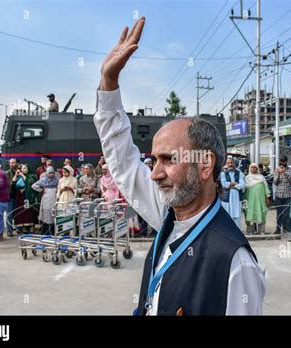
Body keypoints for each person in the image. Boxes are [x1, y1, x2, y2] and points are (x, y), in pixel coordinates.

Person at [94, 17, 265, 316]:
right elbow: (122, 160)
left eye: (169, 160)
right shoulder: (169, 217)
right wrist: (109, 85)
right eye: (154, 160)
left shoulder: (235, 261)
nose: (155, 173)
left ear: (204, 164)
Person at [244, 163, 270, 234]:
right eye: (251, 167)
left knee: (261, 214)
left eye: (255, 167)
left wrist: (267, 198)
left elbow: (266, 188)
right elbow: (244, 191)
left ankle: (261, 231)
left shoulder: (261, 177)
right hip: (250, 200)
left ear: (257, 168)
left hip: (260, 200)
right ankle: (250, 231)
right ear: (249, 168)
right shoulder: (247, 178)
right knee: (250, 214)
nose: (253, 168)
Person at [11, 164, 38, 234]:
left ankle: (31, 227)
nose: (23, 170)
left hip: (28, 197)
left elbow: (30, 182)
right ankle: (22, 227)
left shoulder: (31, 176)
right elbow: (13, 183)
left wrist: (23, 175)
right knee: (21, 212)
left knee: (29, 212)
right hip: (20, 197)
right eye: (22, 169)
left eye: (25, 168)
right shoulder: (19, 176)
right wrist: (16, 175)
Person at [32, 166, 59, 235]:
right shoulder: (44, 180)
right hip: (46, 200)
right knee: (46, 214)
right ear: (47, 173)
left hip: (54, 199)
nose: (51, 174)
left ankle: (53, 232)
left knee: (54, 214)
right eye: (50, 173)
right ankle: (46, 231)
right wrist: (41, 190)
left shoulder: (57, 180)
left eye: (52, 173)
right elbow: (34, 186)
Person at [220, 158, 245, 230]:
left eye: (231, 163)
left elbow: (242, 185)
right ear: (226, 164)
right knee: (227, 215)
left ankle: (237, 231)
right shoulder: (223, 174)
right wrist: (234, 184)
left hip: (237, 197)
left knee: (237, 215)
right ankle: (228, 232)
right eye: (228, 163)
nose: (230, 164)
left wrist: (231, 186)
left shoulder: (239, 173)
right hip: (227, 198)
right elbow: (224, 184)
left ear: (234, 163)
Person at [273, 155, 291, 234]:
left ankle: (287, 231)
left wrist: (284, 173)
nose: (282, 163)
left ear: (286, 161)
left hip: (287, 195)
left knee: (286, 214)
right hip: (278, 195)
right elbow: (275, 182)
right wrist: (279, 174)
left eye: (283, 161)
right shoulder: (276, 170)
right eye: (281, 161)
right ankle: (278, 230)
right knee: (279, 214)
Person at [5, 158, 21, 237]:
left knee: (18, 213)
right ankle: (9, 230)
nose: (11, 164)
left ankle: (19, 229)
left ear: (17, 163)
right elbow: (9, 184)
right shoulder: (7, 173)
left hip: (20, 196)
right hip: (10, 195)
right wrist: (15, 175)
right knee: (9, 214)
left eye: (13, 163)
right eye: (10, 163)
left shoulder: (22, 171)